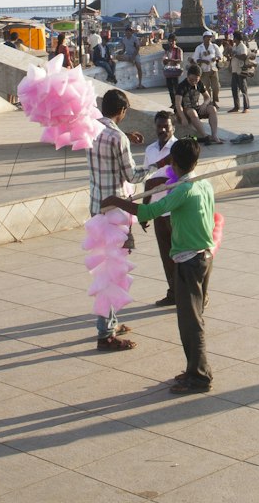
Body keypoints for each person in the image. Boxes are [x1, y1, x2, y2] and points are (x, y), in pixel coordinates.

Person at [104, 135, 216, 393]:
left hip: (190, 260)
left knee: (191, 322)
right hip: (203, 256)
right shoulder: (204, 184)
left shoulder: (184, 191)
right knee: (190, 319)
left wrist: (116, 201)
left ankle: (200, 377)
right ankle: (193, 370)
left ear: (174, 162)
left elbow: (149, 212)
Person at [88, 88, 146, 351]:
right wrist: (158, 164)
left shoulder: (91, 129)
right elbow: (132, 176)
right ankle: (105, 334)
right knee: (111, 272)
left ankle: (110, 321)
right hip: (116, 212)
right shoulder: (117, 137)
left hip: (97, 209)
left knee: (106, 269)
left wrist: (126, 139)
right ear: (121, 111)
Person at [142, 110, 179, 306]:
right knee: (166, 256)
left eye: (166, 126)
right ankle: (173, 293)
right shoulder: (150, 151)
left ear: (174, 127)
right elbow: (147, 181)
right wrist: (145, 211)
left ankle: (190, 294)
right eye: (159, 126)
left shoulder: (179, 148)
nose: (163, 129)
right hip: (158, 211)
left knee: (181, 256)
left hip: (175, 212)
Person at [176, 65, 222, 144]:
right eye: (191, 80)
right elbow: (178, 104)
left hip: (195, 107)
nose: (193, 82)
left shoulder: (199, 83)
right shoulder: (181, 86)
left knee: (212, 109)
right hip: (184, 110)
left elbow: (207, 97)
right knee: (192, 112)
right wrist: (183, 118)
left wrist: (204, 104)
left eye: (196, 80)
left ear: (199, 78)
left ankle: (214, 135)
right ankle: (205, 136)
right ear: (187, 76)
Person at [228, 31, 254, 112]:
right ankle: (236, 107)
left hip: (241, 71)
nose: (233, 39)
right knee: (234, 89)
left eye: (234, 37)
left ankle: (246, 107)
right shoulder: (235, 46)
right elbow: (233, 57)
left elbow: (244, 56)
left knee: (243, 89)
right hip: (234, 70)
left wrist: (235, 55)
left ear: (237, 38)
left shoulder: (242, 46)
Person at [194, 32, 221, 102]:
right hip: (204, 70)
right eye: (207, 37)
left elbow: (220, 56)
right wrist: (203, 61)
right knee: (206, 87)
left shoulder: (214, 46)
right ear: (204, 38)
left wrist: (216, 58)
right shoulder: (199, 48)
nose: (209, 38)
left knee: (216, 87)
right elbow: (195, 59)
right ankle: (209, 102)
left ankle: (215, 101)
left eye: (210, 37)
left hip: (213, 69)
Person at [161, 34, 183, 103]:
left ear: (175, 41)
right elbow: (164, 61)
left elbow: (180, 60)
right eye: (170, 41)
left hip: (175, 70)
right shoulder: (167, 50)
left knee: (176, 88)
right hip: (168, 70)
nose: (171, 43)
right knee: (170, 88)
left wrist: (170, 60)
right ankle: (173, 102)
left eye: (172, 41)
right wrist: (165, 60)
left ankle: (177, 102)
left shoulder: (178, 50)